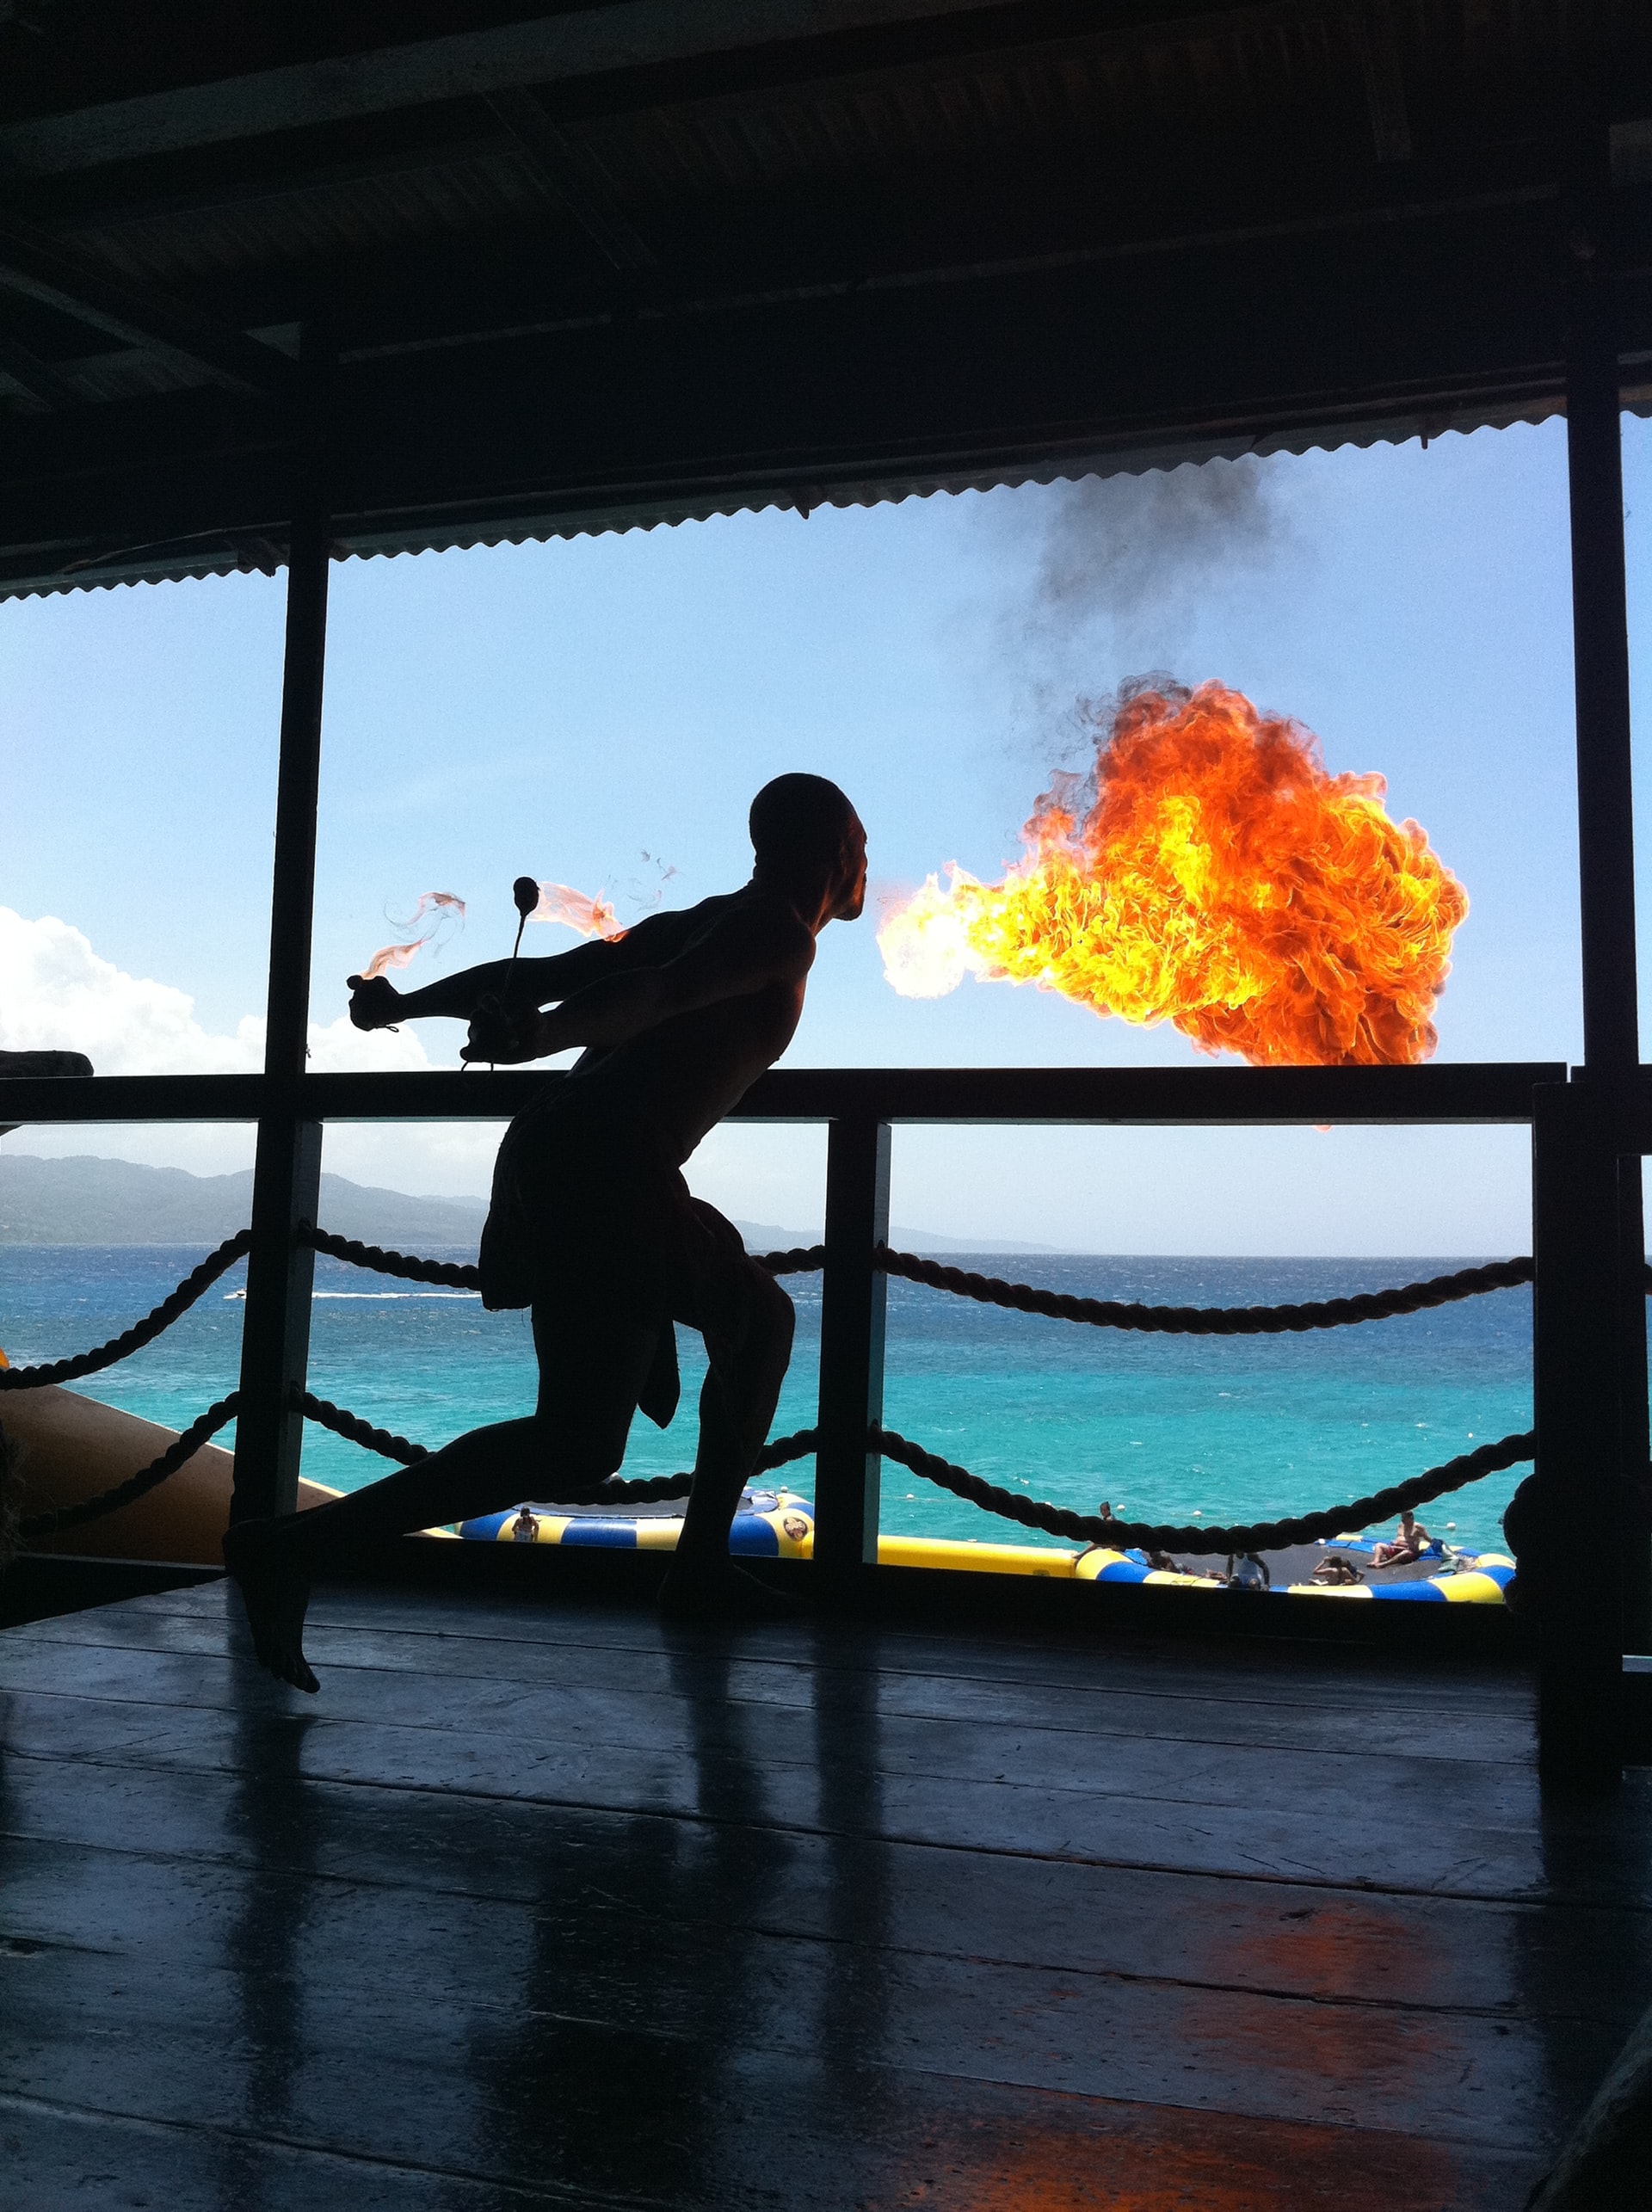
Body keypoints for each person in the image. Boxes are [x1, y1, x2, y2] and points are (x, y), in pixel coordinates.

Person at [224, 773, 868, 1691]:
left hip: (568, 1150)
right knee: (586, 1435)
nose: (869, 863)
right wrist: (540, 1036)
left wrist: (405, 1006)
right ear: (829, 850)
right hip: (605, 1163)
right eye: (862, 841)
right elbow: (653, 994)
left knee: (735, 1338)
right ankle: (292, 1547)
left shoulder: (706, 914)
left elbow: (547, 975)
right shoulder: (771, 930)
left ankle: (693, 1571)